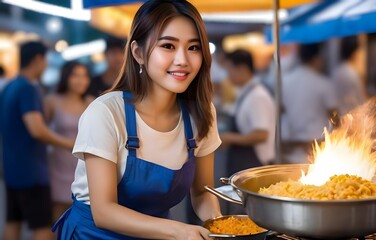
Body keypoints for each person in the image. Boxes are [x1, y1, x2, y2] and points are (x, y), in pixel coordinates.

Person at [52, 1, 222, 239]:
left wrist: (220, 226)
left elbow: (203, 193)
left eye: (194, 48)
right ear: (138, 53)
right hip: (94, 233)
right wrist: (178, 230)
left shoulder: (202, 113)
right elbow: (104, 211)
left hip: (159, 233)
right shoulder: (106, 113)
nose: (183, 59)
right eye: (168, 46)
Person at [0, 41, 74, 240]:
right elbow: (37, 130)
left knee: (12, 222)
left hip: (12, 169)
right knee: (42, 225)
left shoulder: (9, 87)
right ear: (38, 60)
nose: (46, 66)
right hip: (32, 172)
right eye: (46, 61)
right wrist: (71, 145)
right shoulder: (28, 88)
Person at [44, 61, 94, 223]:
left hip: (84, 167)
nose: (80, 80)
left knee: (81, 218)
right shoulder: (52, 100)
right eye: (75, 75)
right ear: (66, 77)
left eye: (84, 76)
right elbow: (41, 132)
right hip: (58, 165)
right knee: (57, 219)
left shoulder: (92, 102)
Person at [220, 49, 276, 177]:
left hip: (256, 165)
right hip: (244, 164)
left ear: (242, 69)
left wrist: (229, 137)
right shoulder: (246, 93)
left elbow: (261, 135)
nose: (228, 75)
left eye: (229, 70)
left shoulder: (257, 96)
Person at [281, 43, 338, 164]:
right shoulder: (323, 83)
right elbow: (334, 116)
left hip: (291, 148)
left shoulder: (285, 81)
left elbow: (280, 110)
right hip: (318, 148)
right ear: (316, 58)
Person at [331, 36, 367, 115]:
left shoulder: (336, 72)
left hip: (339, 116)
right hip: (352, 117)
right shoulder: (352, 74)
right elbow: (360, 100)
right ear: (354, 52)